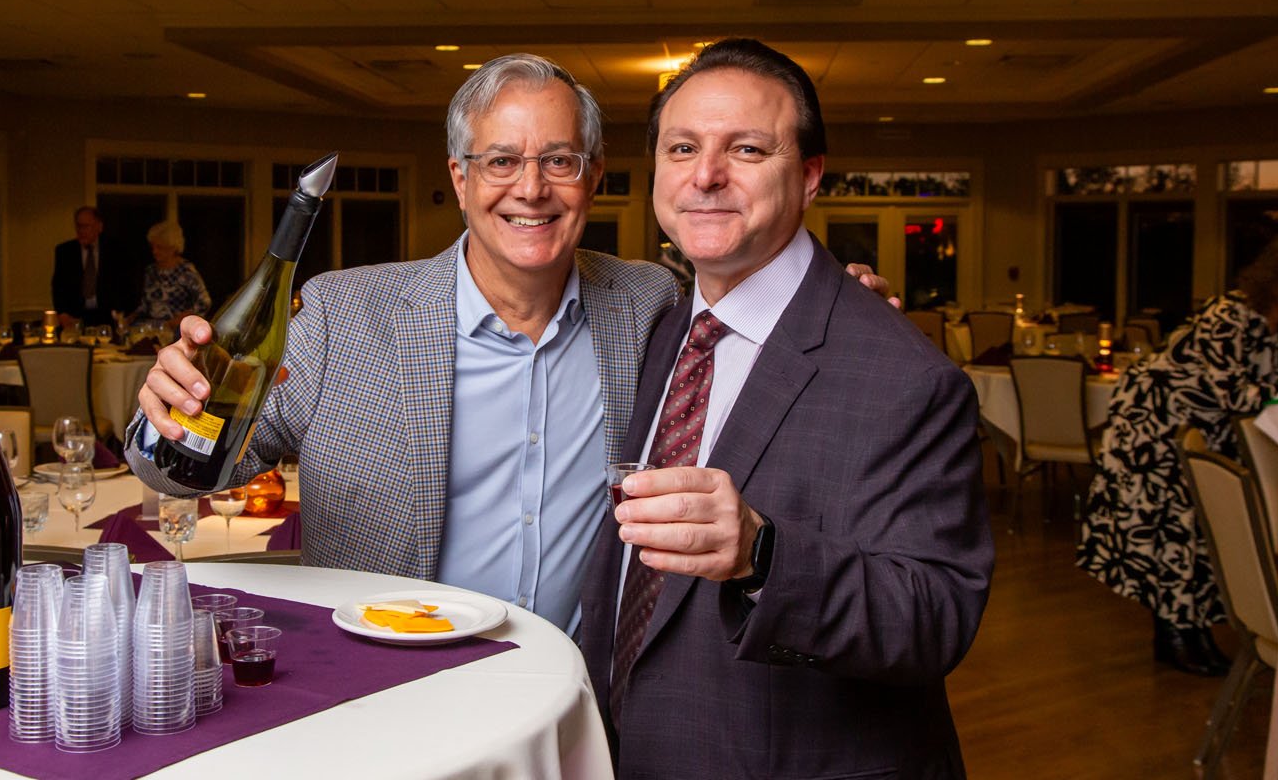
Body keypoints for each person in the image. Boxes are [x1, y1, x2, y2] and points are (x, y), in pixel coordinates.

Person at [126, 53, 894, 634]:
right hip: (391, 689)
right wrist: (163, 423)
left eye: (558, 160)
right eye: (501, 161)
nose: (530, 189)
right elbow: (186, 474)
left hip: (580, 701)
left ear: (592, 178)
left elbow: (766, 311)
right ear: (460, 179)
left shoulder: (652, 303)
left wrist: (842, 298)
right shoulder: (340, 315)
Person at [579, 39, 992, 778]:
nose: (706, 176)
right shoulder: (662, 323)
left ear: (807, 176)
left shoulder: (905, 375)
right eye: (682, 148)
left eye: (746, 148)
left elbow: (934, 618)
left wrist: (760, 552)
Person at [1078, 235, 1278, 676]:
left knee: (1197, 540)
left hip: (1201, 438)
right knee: (1172, 538)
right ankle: (1173, 636)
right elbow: (1232, 392)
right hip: (1152, 430)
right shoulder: (1229, 315)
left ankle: (1191, 634)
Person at [50, 206, 133, 327]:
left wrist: (120, 310)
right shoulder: (65, 251)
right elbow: (58, 285)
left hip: (107, 315)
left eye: (86, 226)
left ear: (99, 227)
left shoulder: (116, 250)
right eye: (78, 226)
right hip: (74, 315)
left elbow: (125, 283)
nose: (81, 231)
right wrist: (62, 312)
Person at [128, 221, 211, 329]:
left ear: (173, 248)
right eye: (152, 246)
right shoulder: (151, 271)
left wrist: (182, 319)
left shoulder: (186, 271)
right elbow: (145, 305)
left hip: (177, 330)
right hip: (152, 328)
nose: (154, 251)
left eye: (160, 247)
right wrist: (130, 318)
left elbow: (204, 302)